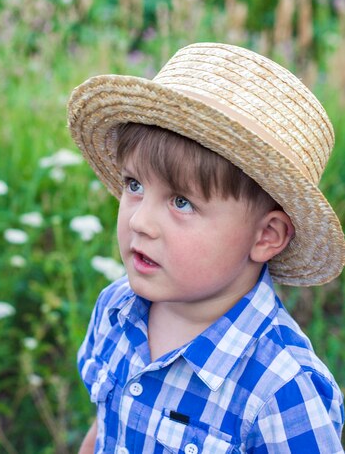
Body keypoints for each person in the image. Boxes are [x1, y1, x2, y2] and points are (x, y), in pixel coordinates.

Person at [67, 42, 345, 453]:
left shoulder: (281, 389)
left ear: (266, 236)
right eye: (134, 185)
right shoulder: (115, 309)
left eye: (182, 202)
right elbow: (107, 427)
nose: (139, 221)